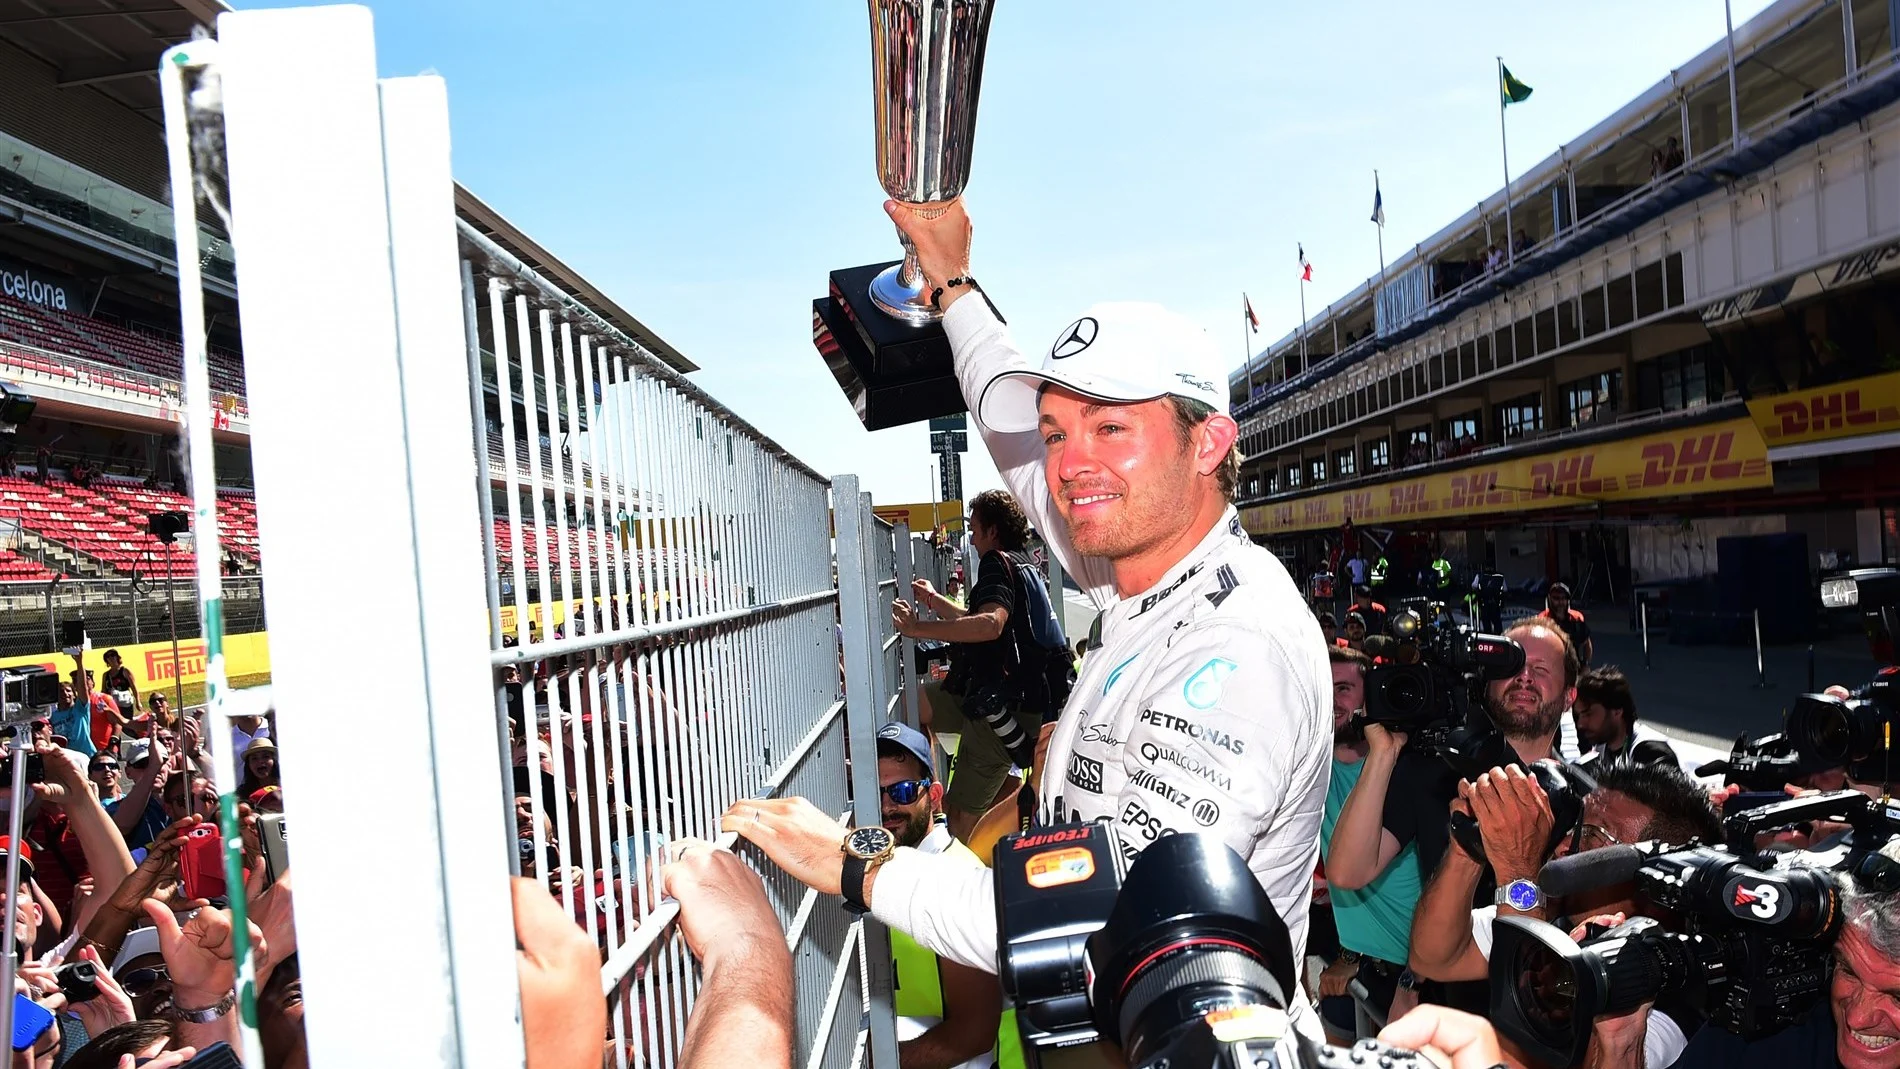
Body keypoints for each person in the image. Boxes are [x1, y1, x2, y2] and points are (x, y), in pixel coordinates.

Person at [724, 195, 1330, 1042]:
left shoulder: (1239, 640)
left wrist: (858, 866)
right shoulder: (1138, 565)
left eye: (1111, 427)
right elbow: (1011, 424)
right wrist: (952, 285)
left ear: (1209, 445)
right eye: (1060, 432)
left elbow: (1108, 925)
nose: (1071, 461)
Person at [1327, 618, 1577, 902]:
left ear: (1570, 695)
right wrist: (1383, 753)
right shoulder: (1430, 773)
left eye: (1541, 669)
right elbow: (1347, 872)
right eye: (1511, 665)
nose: (1525, 677)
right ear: (1487, 682)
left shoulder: (1583, 798)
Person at [897, 490, 1069, 842]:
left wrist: (917, 628)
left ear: (992, 530)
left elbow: (989, 624)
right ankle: (963, 792)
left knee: (960, 821)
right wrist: (933, 600)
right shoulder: (1021, 565)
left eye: (975, 530)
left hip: (1000, 708)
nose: (971, 540)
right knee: (915, 704)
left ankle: (977, 874)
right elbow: (974, 620)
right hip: (1003, 699)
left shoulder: (994, 563)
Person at [873, 722, 1003, 1069]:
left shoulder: (958, 877)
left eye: (901, 791)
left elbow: (975, 1032)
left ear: (933, 796)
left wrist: (886, 1063)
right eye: (876, 792)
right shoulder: (882, 869)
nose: (887, 806)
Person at [1318, 647, 1422, 1037]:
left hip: (1416, 971)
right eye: (1323, 688)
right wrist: (1349, 956)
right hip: (1362, 965)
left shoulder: (1402, 771)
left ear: (1371, 695)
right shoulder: (1312, 769)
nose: (1332, 701)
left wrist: (1412, 981)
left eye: (1344, 688)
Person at [1572, 665, 1679, 771]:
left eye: (1588, 714)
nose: (1581, 724)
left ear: (1617, 711)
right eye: (1579, 715)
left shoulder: (1651, 755)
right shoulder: (1602, 748)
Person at [1540, 582, 1593, 667]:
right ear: (1549, 599)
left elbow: (1586, 643)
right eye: (1556, 598)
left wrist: (1585, 665)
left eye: (1564, 598)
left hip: (1573, 665)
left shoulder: (1576, 618)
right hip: (1550, 665)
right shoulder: (1542, 620)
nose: (1560, 602)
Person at [101, 649, 137, 713]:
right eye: (108, 657)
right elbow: (103, 690)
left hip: (125, 703)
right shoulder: (105, 675)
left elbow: (133, 687)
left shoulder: (125, 671)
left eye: (113, 655)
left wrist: (138, 701)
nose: (111, 658)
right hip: (111, 703)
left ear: (117, 657)